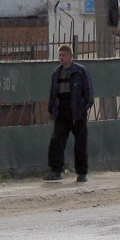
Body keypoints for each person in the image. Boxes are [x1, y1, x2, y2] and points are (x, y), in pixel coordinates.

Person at [44, 44, 94, 182]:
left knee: (80, 143)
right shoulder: (57, 72)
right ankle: (55, 170)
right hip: (62, 111)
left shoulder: (80, 71)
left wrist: (84, 107)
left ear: (70, 56)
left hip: (77, 112)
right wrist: (52, 110)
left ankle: (82, 173)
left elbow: (88, 90)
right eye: (60, 55)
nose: (61, 58)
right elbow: (53, 93)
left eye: (63, 55)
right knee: (56, 141)